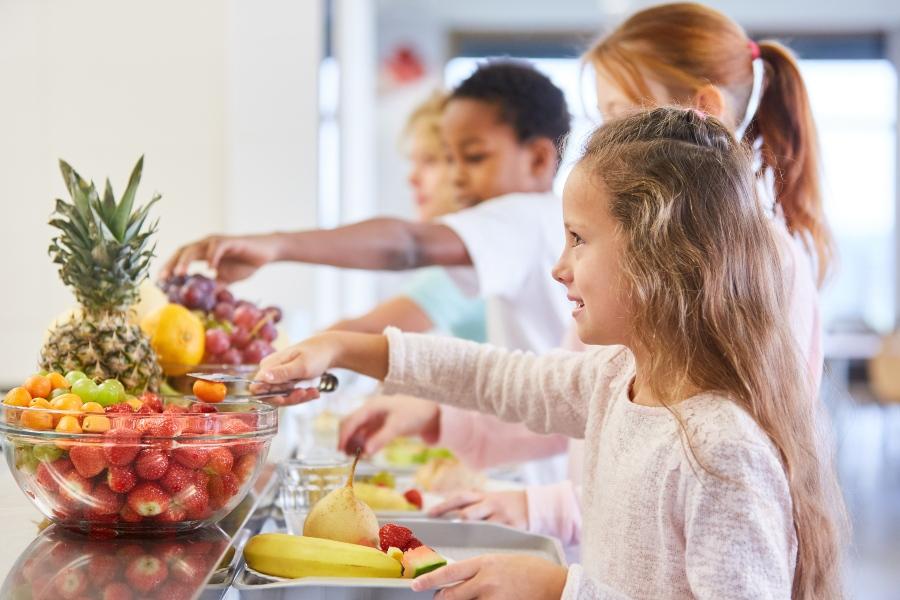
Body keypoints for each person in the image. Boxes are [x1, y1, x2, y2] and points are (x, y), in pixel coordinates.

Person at [255, 107, 846, 599]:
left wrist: (559, 588)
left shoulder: (722, 450)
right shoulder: (619, 379)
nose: (559, 267)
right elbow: (496, 377)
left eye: (579, 239)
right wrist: (341, 347)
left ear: (664, 261)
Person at [340, 1, 833, 542]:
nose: (606, 144)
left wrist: (545, 507)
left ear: (701, 112)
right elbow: (568, 392)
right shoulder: (639, 265)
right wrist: (436, 415)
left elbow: (714, 482)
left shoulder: (762, 266)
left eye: (623, 117)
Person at [162, 61, 574, 480]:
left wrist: (276, 245)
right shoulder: (526, 229)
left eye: (473, 157)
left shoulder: (524, 216)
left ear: (539, 158)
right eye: (450, 159)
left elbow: (409, 245)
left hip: (550, 469)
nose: (457, 178)